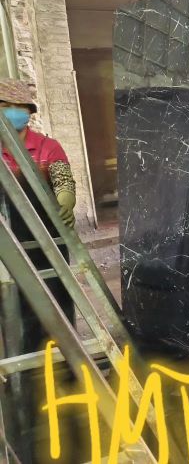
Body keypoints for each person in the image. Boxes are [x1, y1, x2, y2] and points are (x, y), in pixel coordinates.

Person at [0, 79, 77, 459]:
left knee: (57, 303)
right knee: (15, 308)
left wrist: (65, 198)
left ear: (28, 113)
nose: (9, 114)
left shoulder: (46, 148)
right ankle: (25, 379)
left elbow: (62, 179)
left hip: (46, 241)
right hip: (8, 244)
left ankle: (68, 370)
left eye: (15, 107)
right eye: (4, 107)